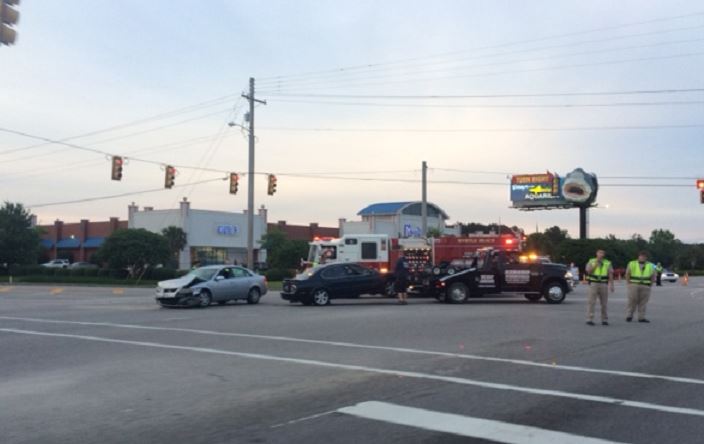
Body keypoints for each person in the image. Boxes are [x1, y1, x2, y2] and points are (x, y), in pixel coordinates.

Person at [584, 250, 614, 326]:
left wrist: (612, 285)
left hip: (603, 284)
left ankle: (604, 319)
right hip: (594, 283)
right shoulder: (591, 261)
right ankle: (589, 319)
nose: (601, 254)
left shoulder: (607, 262)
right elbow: (589, 271)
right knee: (591, 302)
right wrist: (596, 264)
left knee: (604, 303)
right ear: (596, 253)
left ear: (604, 254)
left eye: (602, 253)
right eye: (599, 253)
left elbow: (610, 274)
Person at [624, 251, 656, 323]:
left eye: (644, 256)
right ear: (638, 257)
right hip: (634, 284)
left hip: (645, 285)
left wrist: (650, 284)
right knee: (632, 300)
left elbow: (653, 275)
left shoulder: (651, 265)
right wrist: (628, 283)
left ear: (646, 258)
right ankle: (629, 315)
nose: (642, 257)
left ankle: (641, 317)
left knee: (643, 302)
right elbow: (627, 274)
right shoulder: (632, 263)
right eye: (641, 256)